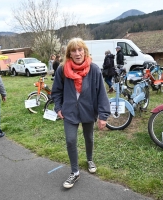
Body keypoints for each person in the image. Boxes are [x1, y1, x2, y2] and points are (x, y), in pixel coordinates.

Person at [51, 38, 110, 189]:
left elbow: (101, 94)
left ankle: (89, 159)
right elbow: (56, 91)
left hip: (88, 110)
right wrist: (58, 107)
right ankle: (75, 172)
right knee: (71, 140)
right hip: (69, 111)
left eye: (80, 50)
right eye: (73, 50)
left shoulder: (94, 69)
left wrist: (103, 116)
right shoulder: (62, 70)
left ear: (85, 51)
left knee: (88, 137)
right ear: (69, 54)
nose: (77, 53)